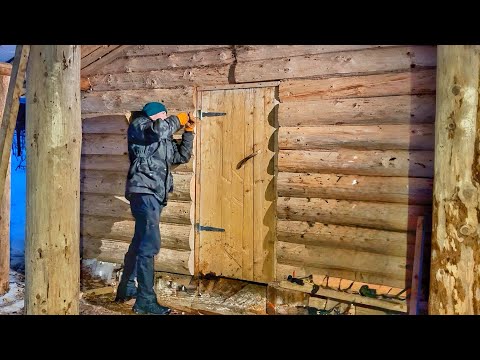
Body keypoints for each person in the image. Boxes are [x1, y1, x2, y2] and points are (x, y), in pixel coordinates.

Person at [114, 102, 195, 315]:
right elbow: (160, 129)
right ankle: (145, 301)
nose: (165, 117)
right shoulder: (140, 126)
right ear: (155, 115)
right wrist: (180, 118)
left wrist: (188, 131)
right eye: (163, 114)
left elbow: (181, 156)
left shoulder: (161, 138)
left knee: (141, 241)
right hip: (143, 191)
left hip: (155, 195)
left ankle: (127, 288)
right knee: (149, 245)